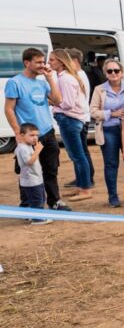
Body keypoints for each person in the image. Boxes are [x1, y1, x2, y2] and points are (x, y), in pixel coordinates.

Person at [4, 47, 71, 212]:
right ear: (27, 63)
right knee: (28, 172)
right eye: (39, 62)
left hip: (47, 132)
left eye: (44, 61)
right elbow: (9, 109)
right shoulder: (15, 82)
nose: (43, 65)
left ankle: (55, 202)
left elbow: (57, 100)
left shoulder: (42, 82)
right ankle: (27, 206)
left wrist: (50, 78)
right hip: (29, 136)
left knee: (51, 170)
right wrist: (18, 134)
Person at [49, 49, 93, 201]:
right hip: (73, 119)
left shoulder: (65, 79)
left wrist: (51, 101)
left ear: (61, 62)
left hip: (69, 119)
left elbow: (67, 104)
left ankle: (86, 189)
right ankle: (81, 187)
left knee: (78, 156)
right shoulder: (67, 77)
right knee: (78, 156)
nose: (49, 63)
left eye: (52, 60)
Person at [90, 59, 124, 207]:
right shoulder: (99, 89)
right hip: (108, 130)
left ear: (122, 72)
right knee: (111, 164)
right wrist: (112, 114)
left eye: (116, 70)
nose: (113, 73)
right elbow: (93, 112)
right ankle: (113, 197)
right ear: (105, 73)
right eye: (110, 71)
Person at [64, 47, 95, 188]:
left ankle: (86, 180)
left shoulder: (78, 76)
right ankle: (83, 178)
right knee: (81, 150)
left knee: (80, 151)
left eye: (66, 60)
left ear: (75, 61)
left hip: (80, 117)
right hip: (82, 117)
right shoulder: (78, 75)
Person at [15, 123, 52, 225]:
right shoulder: (22, 148)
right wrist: (38, 150)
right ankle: (37, 219)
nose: (35, 138)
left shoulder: (28, 146)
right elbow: (29, 162)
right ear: (22, 135)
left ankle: (35, 215)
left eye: (36, 135)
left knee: (40, 198)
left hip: (36, 178)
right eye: (31, 135)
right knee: (36, 200)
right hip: (30, 180)